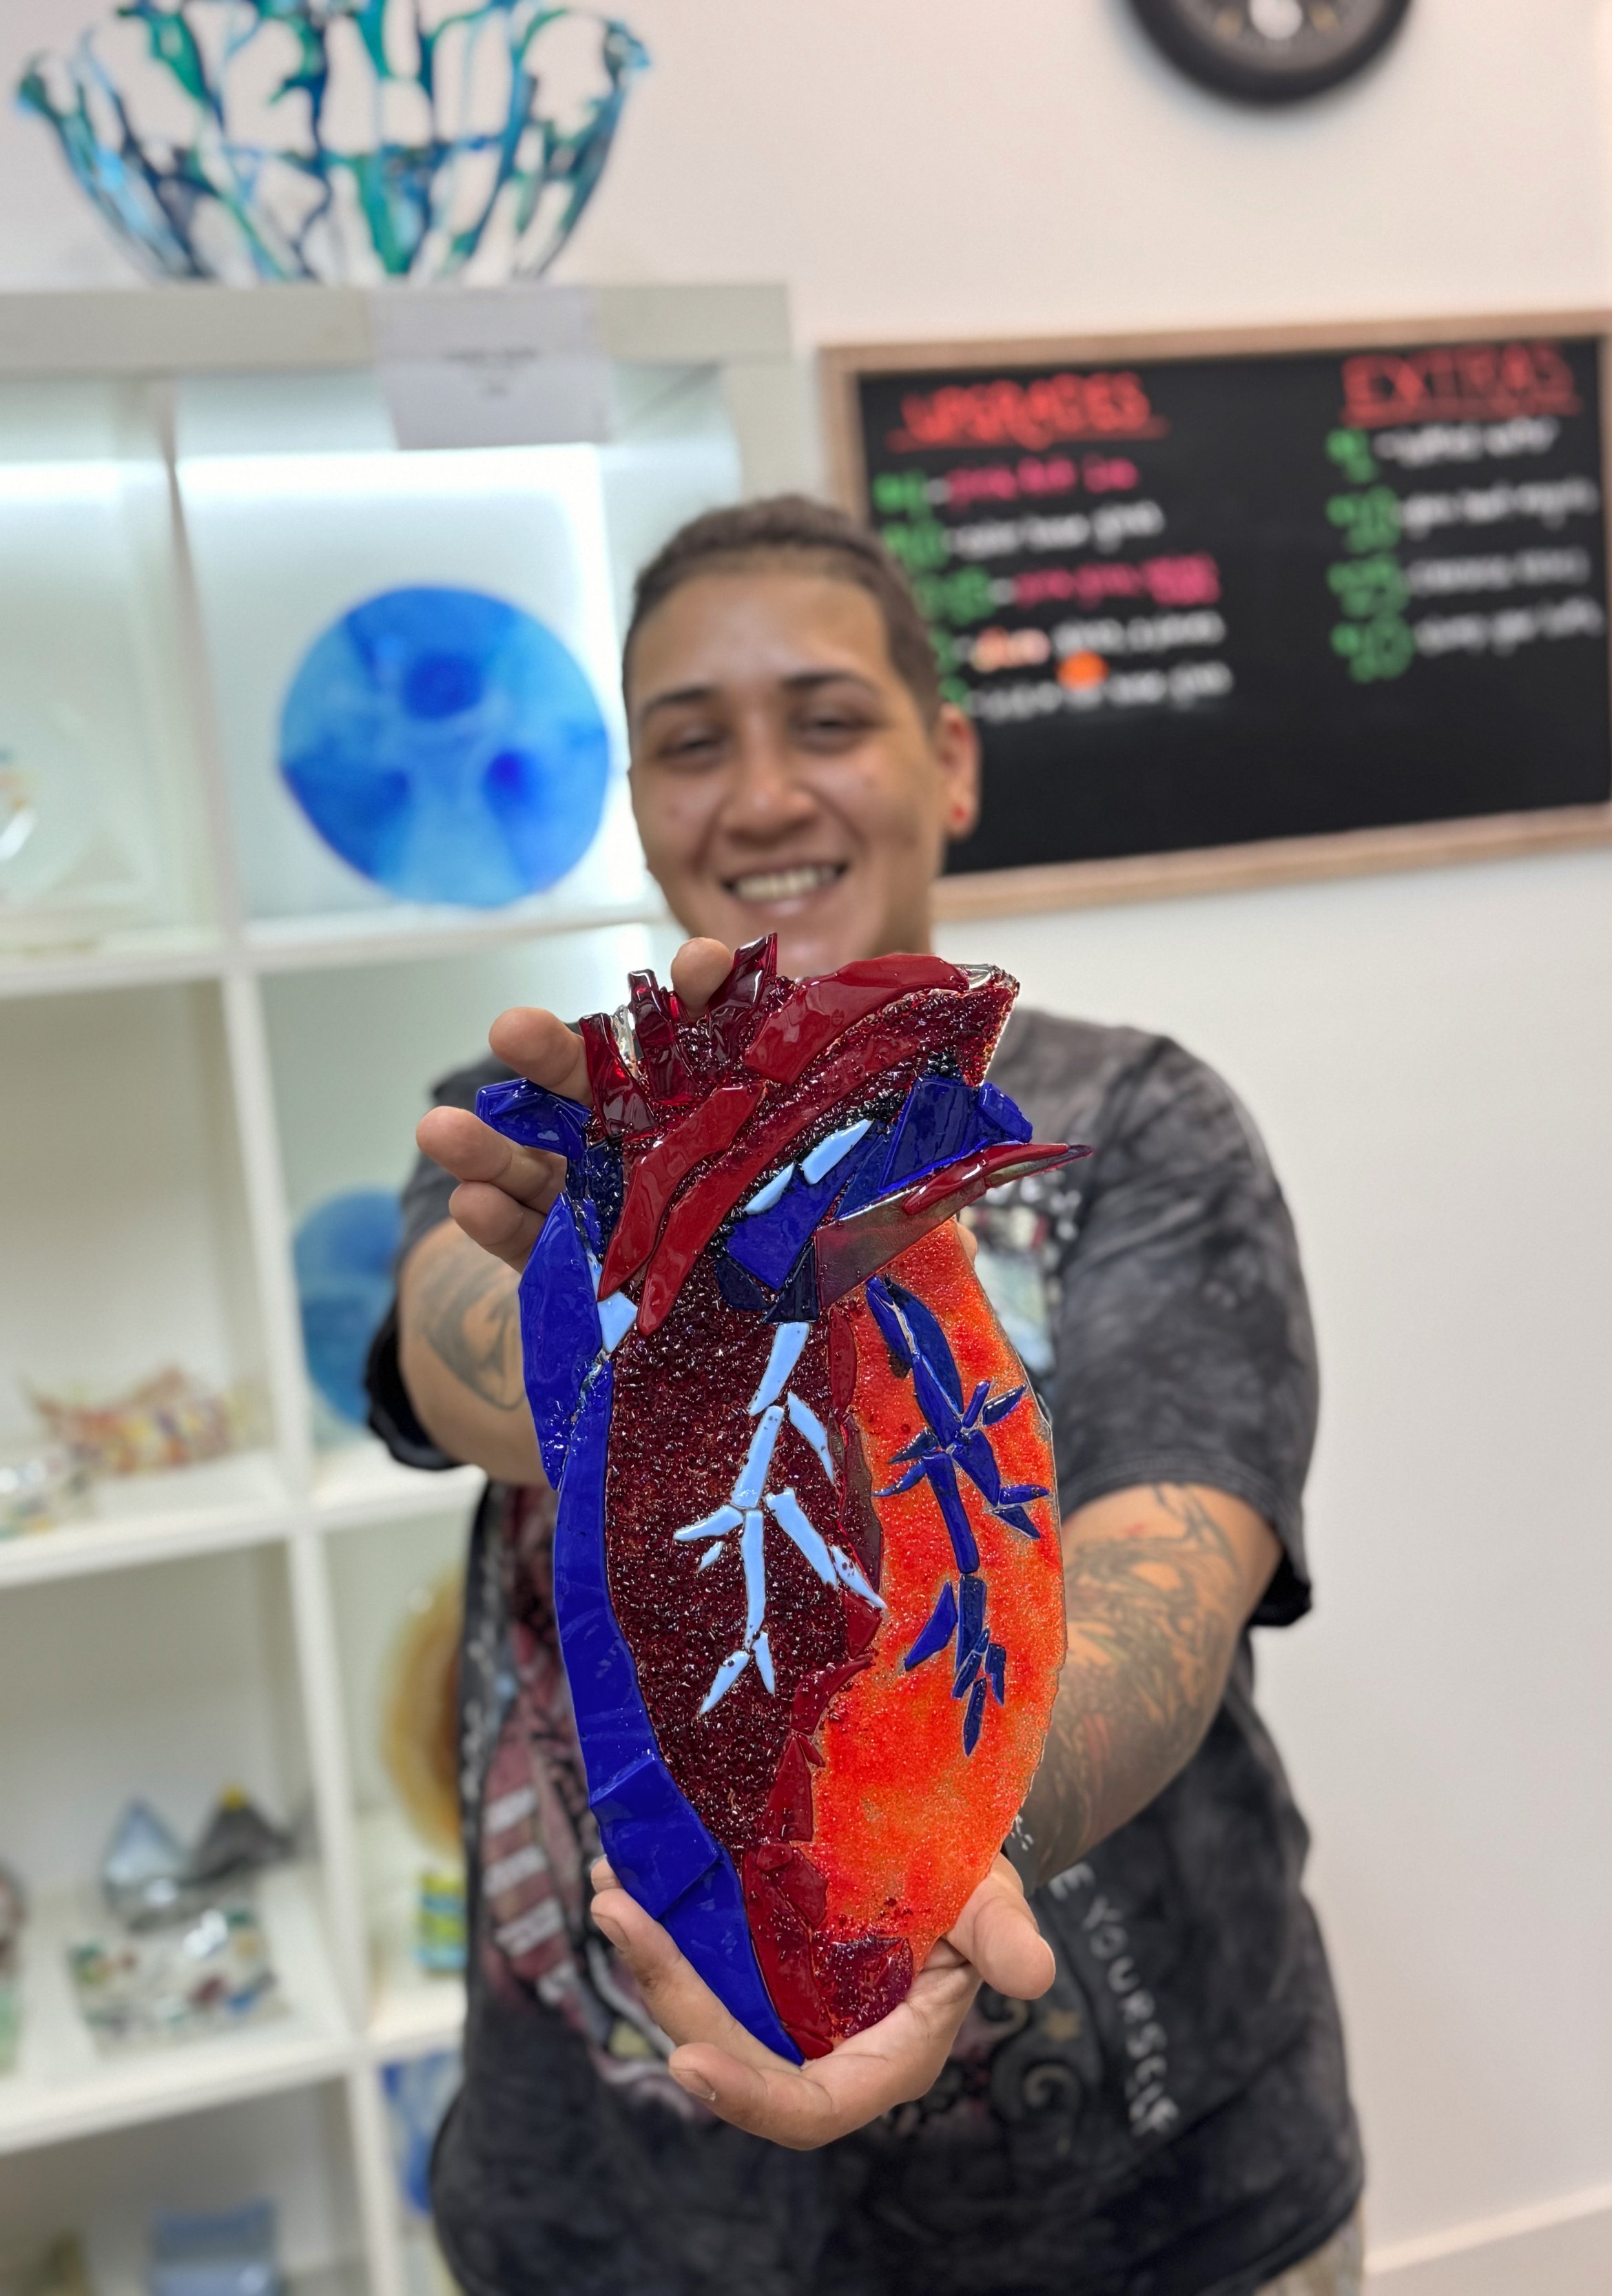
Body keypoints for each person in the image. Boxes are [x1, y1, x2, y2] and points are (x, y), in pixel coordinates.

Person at [366, 497, 1363, 2296]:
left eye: (825, 721)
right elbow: (459, 1354)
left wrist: (931, 1855)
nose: (759, 795)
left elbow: (1169, 1562)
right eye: (691, 743)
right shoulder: (540, 1126)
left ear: (947, 762)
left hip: (1132, 2215)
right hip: (606, 2222)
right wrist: (612, 1282)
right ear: (639, 796)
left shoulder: (1136, 1123)